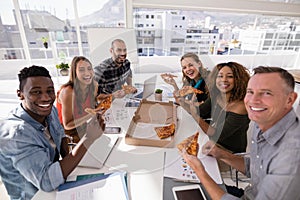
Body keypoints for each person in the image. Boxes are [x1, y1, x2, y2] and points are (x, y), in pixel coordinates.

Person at [181, 66, 300, 199]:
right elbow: (254, 167)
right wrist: (221, 154)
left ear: (290, 100)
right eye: (250, 92)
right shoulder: (263, 123)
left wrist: (200, 172)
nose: (253, 101)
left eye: (267, 93)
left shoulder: (290, 160)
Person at [0, 65, 105, 199]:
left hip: (58, 185)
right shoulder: (17, 133)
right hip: (36, 195)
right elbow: (47, 182)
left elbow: (61, 137)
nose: (46, 98)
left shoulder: (50, 111)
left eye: (49, 91)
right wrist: (88, 139)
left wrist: (74, 164)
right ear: (20, 94)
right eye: (36, 92)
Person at [190, 62, 250, 153]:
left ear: (238, 80)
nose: (224, 80)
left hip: (229, 152)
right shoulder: (217, 97)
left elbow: (217, 134)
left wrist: (194, 115)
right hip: (212, 142)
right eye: (220, 76)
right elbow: (200, 111)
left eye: (230, 76)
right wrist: (184, 103)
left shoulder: (241, 107)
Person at [57, 56, 108, 143]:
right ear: (74, 72)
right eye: (81, 70)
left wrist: (112, 95)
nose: (87, 73)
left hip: (83, 126)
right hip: (67, 134)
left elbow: (94, 99)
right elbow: (67, 125)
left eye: (89, 69)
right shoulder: (68, 92)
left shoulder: (94, 86)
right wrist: (92, 114)